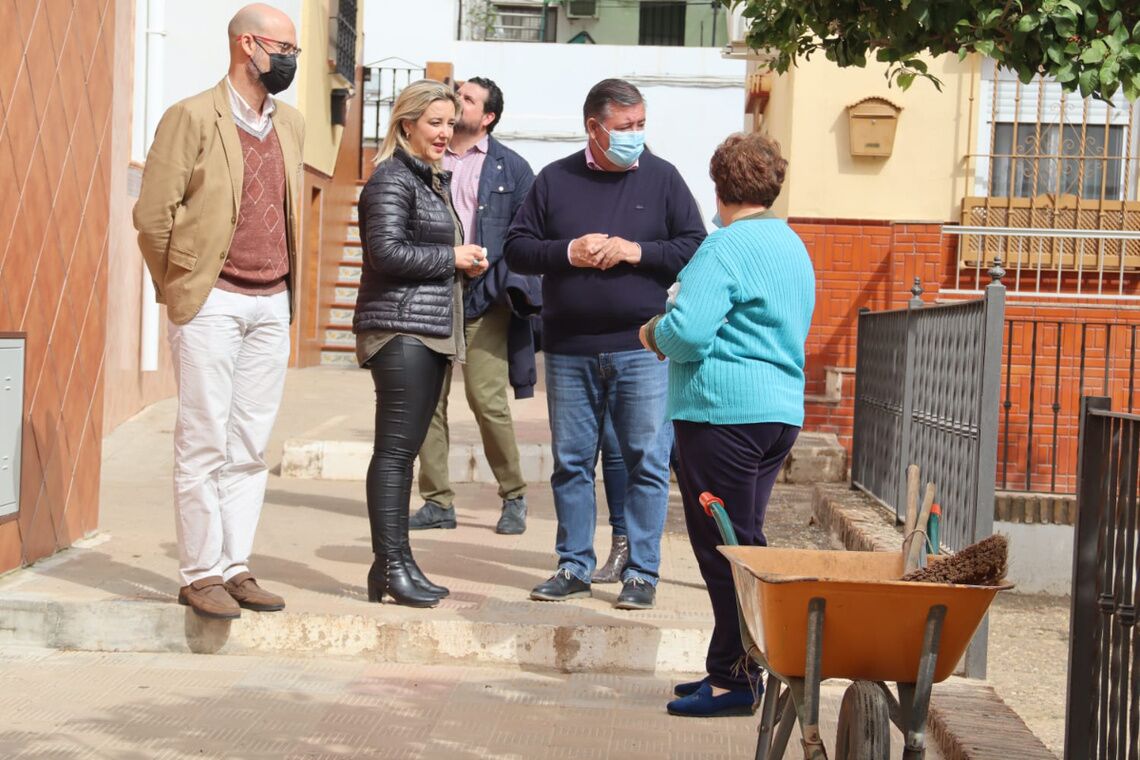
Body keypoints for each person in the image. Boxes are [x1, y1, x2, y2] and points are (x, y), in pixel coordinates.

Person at [505, 78, 705, 610]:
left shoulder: (663, 179)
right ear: (594, 128)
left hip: (642, 349)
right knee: (571, 462)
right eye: (625, 128)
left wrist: (636, 252)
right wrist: (568, 251)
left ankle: (642, 572)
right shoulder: (554, 180)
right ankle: (573, 565)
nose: (636, 136)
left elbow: (694, 246)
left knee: (644, 460)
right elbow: (518, 248)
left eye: (641, 125)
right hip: (569, 349)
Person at [132, 3, 304, 620]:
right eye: (283, 48)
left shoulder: (291, 125)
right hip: (211, 300)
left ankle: (235, 566)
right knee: (203, 440)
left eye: (294, 51)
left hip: (271, 300)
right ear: (246, 45)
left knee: (250, 444)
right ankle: (199, 571)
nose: (289, 60)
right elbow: (153, 217)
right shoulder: (190, 117)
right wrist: (182, 286)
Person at [639, 133, 815, 717]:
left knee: (727, 551)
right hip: (777, 413)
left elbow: (687, 333)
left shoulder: (722, 249)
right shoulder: (792, 244)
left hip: (723, 414)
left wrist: (652, 334)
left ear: (719, 186)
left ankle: (739, 681)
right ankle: (728, 668)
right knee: (740, 542)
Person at [353, 80, 489, 609]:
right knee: (393, 454)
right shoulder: (390, 179)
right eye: (434, 122)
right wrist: (452, 258)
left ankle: (395, 563)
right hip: (400, 332)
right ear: (406, 123)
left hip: (427, 330)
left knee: (403, 453)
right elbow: (384, 252)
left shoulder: (427, 179)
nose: (444, 132)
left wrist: (462, 261)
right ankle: (390, 566)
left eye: (450, 123)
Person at [409, 77, 538, 536]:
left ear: (487, 117)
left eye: (467, 99)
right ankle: (438, 500)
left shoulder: (514, 169)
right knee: (427, 401)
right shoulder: (424, 157)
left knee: (486, 400)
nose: (456, 100)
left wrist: (498, 268)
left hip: (485, 298)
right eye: (457, 92)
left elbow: (529, 236)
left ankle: (514, 495)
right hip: (431, 293)